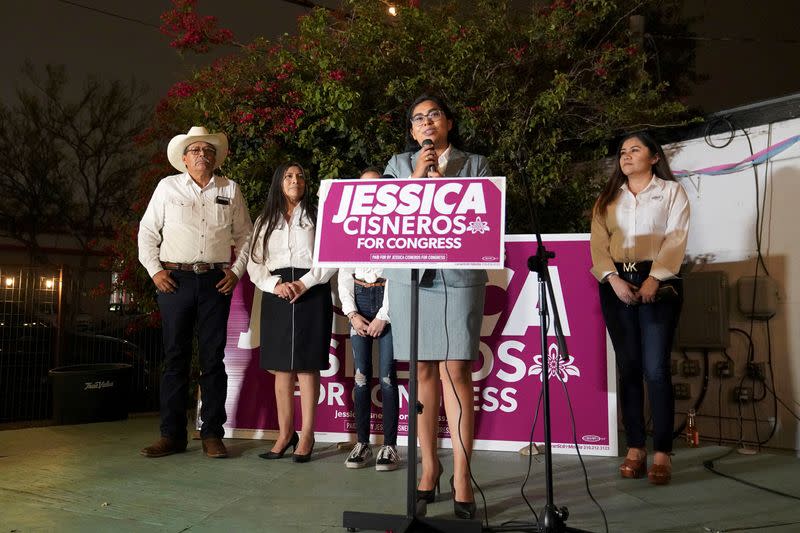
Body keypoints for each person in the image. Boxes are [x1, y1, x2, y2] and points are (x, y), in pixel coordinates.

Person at [383, 94, 489, 519]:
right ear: (412, 131)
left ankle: (462, 475)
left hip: (458, 278)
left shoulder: (476, 163)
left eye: (434, 116)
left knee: (456, 369)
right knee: (422, 370)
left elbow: (481, 218)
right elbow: (389, 215)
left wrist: (442, 178)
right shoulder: (396, 166)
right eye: (418, 119)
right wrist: (415, 177)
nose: (426, 123)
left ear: (448, 123)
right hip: (412, 279)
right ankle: (429, 467)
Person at [138, 126, 253, 459]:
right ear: (184, 158)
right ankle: (171, 436)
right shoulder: (167, 188)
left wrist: (235, 271)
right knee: (175, 358)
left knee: (213, 359)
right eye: (196, 150)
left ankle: (212, 434)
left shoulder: (230, 189)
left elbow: (245, 235)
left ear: (215, 158)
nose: (203, 155)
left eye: (208, 151)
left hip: (216, 281)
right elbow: (147, 232)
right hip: (175, 280)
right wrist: (156, 270)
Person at [590, 131, 690, 485]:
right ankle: (635, 447)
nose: (626, 156)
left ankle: (662, 452)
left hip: (658, 283)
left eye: (635, 150)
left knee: (656, 369)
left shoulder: (671, 192)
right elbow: (598, 245)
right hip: (616, 283)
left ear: (654, 157)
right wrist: (613, 280)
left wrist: (657, 278)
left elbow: (676, 236)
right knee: (628, 367)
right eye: (622, 152)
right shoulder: (608, 198)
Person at [247, 162, 335, 463]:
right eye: (288, 175)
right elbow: (254, 262)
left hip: (312, 291)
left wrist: (305, 282)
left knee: (308, 366)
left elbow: (332, 254)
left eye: (300, 175)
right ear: (278, 182)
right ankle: (285, 434)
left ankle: (307, 434)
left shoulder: (318, 215)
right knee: (282, 367)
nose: (295, 180)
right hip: (277, 294)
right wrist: (275, 284)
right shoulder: (265, 220)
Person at [338, 168, 399, 471]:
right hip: (359, 301)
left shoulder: (396, 222)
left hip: (388, 299)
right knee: (362, 377)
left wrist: (384, 316)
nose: (370, 192)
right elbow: (343, 273)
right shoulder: (349, 223)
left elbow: (398, 274)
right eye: (364, 187)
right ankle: (362, 442)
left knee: (387, 378)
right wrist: (352, 313)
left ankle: (389, 446)